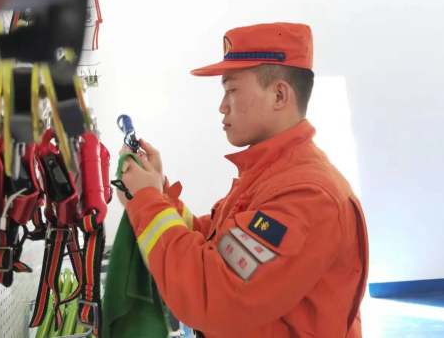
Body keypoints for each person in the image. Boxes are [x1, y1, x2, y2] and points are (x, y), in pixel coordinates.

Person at [117, 22, 369, 338]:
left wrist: (147, 202)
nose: (222, 106)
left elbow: (213, 293)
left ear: (279, 94)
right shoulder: (270, 175)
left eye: (231, 90)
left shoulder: (308, 195)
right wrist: (158, 192)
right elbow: (218, 243)